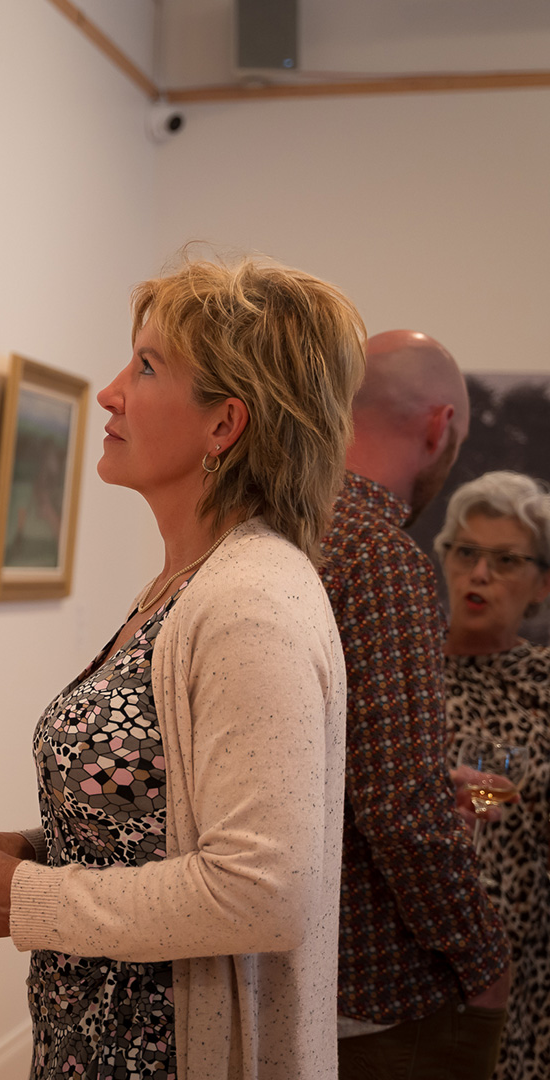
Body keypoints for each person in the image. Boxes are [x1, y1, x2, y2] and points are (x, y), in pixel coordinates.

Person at [0, 256, 364, 1079]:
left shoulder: (251, 603)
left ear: (225, 425)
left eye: (146, 367)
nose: (110, 392)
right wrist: (33, 852)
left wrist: (20, 897)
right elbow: (164, 829)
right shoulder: (190, 583)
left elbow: (265, 890)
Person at [317, 330, 511, 1080]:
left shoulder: (284, 530)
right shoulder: (383, 557)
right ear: (439, 427)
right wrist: (481, 952)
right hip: (374, 990)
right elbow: (398, 808)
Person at [435, 471, 550, 1080]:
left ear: (542, 584)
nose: (479, 574)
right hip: (411, 960)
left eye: (505, 560)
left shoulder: (544, 685)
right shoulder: (405, 671)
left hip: (526, 965)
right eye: (467, 552)